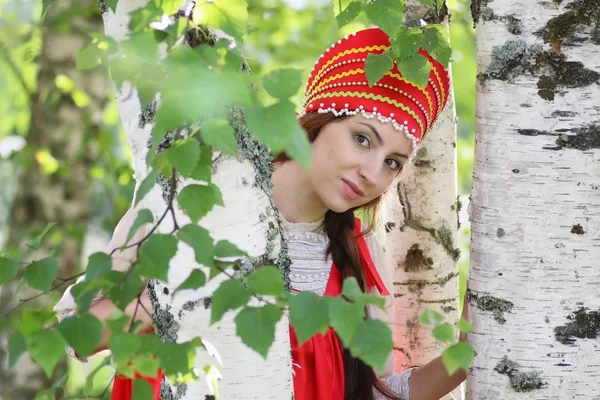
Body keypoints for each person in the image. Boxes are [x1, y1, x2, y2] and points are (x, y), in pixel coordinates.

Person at [54, 27, 468, 399]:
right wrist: (190, 293)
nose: (373, 173)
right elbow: (80, 333)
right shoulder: (196, 195)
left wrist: (472, 346)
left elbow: (377, 392)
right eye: (362, 139)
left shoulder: (359, 252)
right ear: (318, 121)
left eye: (393, 163)